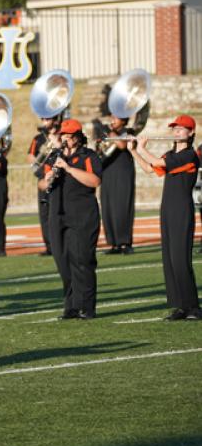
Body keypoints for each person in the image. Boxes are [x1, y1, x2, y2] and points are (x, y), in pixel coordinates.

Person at [128, 115, 201, 320]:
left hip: (181, 209)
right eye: (175, 128)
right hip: (167, 208)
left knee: (180, 259)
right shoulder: (171, 154)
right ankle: (180, 306)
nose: (177, 131)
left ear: (191, 133)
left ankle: (193, 307)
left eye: (182, 129)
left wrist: (142, 147)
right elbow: (149, 168)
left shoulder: (189, 155)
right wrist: (134, 151)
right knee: (169, 259)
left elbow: (157, 161)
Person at [38, 119, 102, 319]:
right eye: (64, 135)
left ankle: (86, 306)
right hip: (57, 214)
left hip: (82, 214)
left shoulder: (88, 156)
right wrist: (47, 179)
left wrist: (68, 168)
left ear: (78, 137)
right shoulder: (54, 156)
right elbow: (41, 184)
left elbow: (94, 181)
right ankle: (71, 306)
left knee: (82, 260)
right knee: (62, 261)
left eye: (70, 135)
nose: (66, 139)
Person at [100, 115, 135, 255]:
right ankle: (113, 243)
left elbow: (121, 145)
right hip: (107, 173)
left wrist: (109, 132)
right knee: (107, 208)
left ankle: (125, 242)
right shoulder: (108, 133)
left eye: (116, 118)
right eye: (111, 118)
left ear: (124, 120)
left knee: (122, 207)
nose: (112, 120)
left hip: (122, 174)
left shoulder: (129, 131)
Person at [27, 116, 60, 256]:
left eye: (48, 119)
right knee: (44, 213)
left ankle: (59, 245)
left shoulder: (62, 135)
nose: (45, 121)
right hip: (43, 178)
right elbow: (30, 156)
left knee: (56, 213)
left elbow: (64, 151)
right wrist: (38, 164)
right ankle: (49, 246)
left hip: (58, 178)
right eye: (43, 119)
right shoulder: (38, 138)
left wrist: (55, 141)